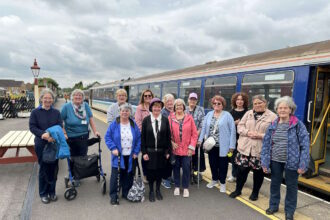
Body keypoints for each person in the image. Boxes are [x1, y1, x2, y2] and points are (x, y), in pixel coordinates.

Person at [261, 96, 310, 220]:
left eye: (285, 108)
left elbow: (305, 146)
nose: (282, 110)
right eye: (280, 108)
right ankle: (273, 206)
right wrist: (265, 163)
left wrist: (303, 164)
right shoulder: (273, 125)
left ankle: (289, 211)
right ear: (277, 110)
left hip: (293, 162)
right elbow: (266, 145)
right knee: (275, 184)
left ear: (290, 110)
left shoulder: (298, 125)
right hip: (275, 161)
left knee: (292, 187)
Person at [229, 95, 277, 201]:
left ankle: (255, 193)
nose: (258, 105)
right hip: (244, 149)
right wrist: (248, 132)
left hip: (260, 150)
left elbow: (275, 133)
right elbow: (240, 127)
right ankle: (238, 190)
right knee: (241, 171)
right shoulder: (248, 113)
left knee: (258, 174)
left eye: (260, 103)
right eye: (255, 103)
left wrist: (261, 135)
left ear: (265, 103)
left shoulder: (272, 116)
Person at [29, 89, 62, 204]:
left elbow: (59, 125)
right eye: (45, 98)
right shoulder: (35, 112)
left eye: (50, 98)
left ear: (53, 99)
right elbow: (32, 127)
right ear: (41, 99)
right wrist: (43, 135)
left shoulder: (56, 113)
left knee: (53, 169)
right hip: (41, 145)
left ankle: (52, 192)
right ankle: (43, 193)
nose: (48, 100)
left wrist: (53, 136)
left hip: (54, 143)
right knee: (43, 169)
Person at [198, 95, 236, 193]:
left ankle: (222, 182)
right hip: (211, 145)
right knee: (212, 163)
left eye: (219, 103)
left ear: (222, 105)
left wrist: (232, 146)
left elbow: (233, 131)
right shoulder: (209, 114)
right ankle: (214, 180)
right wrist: (200, 139)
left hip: (224, 145)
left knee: (223, 165)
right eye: (214, 103)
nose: (216, 105)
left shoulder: (227, 115)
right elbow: (203, 128)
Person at [104, 104, 141, 205]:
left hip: (130, 155)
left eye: (127, 111)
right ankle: (114, 195)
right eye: (123, 111)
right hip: (118, 155)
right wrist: (113, 148)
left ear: (130, 113)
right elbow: (107, 137)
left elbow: (138, 139)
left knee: (128, 175)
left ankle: (126, 193)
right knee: (116, 175)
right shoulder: (114, 124)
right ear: (119, 112)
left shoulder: (133, 124)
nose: (125, 112)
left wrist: (136, 152)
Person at [141, 98, 171, 202]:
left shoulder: (165, 120)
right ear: (151, 108)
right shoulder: (146, 120)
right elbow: (143, 138)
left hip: (161, 152)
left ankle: (158, 190)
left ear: (161, 108)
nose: (157, 108)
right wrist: (144, 152)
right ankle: (151, 191)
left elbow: (168, 137)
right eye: (155, 106)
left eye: (159, 106)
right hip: (150, 152)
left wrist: (168, 151)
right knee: (150, 173)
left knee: (159, 172)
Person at [169, 99, 198, 198]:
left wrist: (191, 147)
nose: (179, 107)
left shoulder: (189, 118)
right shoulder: (170, 118)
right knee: (176, 167)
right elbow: (167, 133)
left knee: (186, 168)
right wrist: (171, 142)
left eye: (181, 105)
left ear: (184, 107)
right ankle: (177, 186)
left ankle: (185, 187)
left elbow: (194, 134)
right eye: (177, 105)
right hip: (175, 148)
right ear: (174, 107)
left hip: (187, 149)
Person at [61, 89, 100, 157]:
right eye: (76, 95)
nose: (78, 97)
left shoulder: (86, 105)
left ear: (83, 97)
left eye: (80, 95)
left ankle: (81, 168)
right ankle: (72, 168)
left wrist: (95, 131)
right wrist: (64, 133)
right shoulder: (66, 107)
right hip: (70, 137)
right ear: (72, 97)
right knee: (73, 157)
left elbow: (90, 119)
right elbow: (60, 121)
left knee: (83, 157)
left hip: (84, 136)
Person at [227, 92, 249, 183]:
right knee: (233, 158)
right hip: (233, 138)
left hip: (244, 139)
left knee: (242, 159)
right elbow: (226, 125)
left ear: (244, 101)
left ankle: (240, 176)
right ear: (235, 101)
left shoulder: (248, 112)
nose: (239, 101)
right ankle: (233, 175)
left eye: (241, 100)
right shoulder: (230, 113)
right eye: (238, 100)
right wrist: (234, 123)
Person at [185, 92, 205, 183]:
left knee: (197, 157)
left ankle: (196, 174)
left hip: (197, 137)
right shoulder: (184, 109)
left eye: (194, 99)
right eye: (191, 99)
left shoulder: (201, 110)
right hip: (186, 138)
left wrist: (196, 135)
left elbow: (202, 123)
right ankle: (188, 173)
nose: (192, 101)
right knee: (188, 157)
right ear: (188, 100)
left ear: (196, 101)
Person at [135, 89, 154, 183]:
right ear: (143, 97)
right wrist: (144, 133)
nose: (147, 97)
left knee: (154, 155)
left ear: (152, 96)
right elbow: (138, 122)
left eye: (149, 96)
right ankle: (146, 175)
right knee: (145, 155)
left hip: (155, 136)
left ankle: (153, 174)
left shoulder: (155, 106)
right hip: (144, 136)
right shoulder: (140, 108)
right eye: (145, 96)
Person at [161, 93, 175, 188]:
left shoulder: (174, 111)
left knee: (171, 160)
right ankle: (164, 178)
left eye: (171, 101)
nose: (170, 103)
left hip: (174, 140)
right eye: (168, 101)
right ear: (164, 102)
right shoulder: (163, 113)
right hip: (166, 140)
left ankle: (169, 176)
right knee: (166, 160)